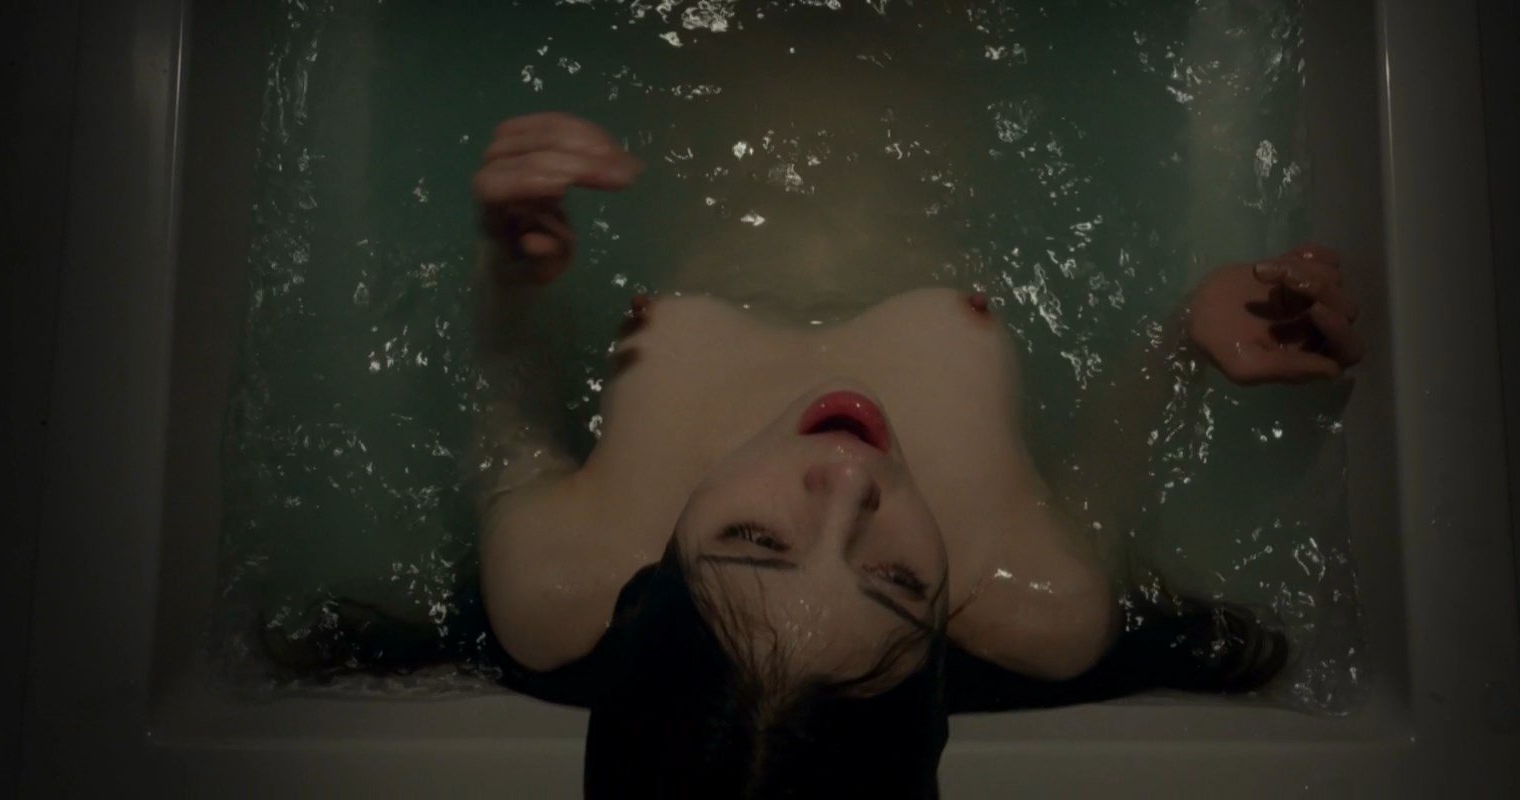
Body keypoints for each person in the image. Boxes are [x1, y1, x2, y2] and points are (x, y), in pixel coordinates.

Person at [455, 110, 1362, 797]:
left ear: (651, 590)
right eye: (895, 580)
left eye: (757, 540)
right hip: (952, 102)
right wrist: (1185, 339)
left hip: (688, 118)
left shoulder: (556, 582)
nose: (851, 478)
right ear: (933, 665)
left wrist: (511, 264)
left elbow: (503, 391)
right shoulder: (1038, 595)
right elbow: (1107, 465)